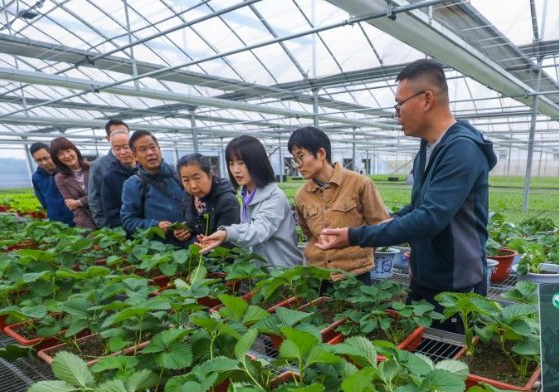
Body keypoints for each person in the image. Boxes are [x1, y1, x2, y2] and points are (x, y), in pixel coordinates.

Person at [318, 59, 497, 332]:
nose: (396, 114)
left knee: (448, 361)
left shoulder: (462, 150)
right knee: (420, 353)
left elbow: (429, 218)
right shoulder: (427, 149)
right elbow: (417, 208)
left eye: (399, 104)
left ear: (426, 99)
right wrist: (386, 224)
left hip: (457, 285)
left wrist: (355, 236)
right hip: (426, 276)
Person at [289, 126, 388, 283]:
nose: (298, 164)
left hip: (355, 274)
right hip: (319, 274)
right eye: (294, 159)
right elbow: (309, 234)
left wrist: (361, 256)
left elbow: (381, 226)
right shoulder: (301, 196)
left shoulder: (359, 183)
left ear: (321, 153)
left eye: (300, 156)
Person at [196, 135, 303, 268]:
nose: (236, 170)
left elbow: (259, 230)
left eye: (241, 162)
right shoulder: (245, 194)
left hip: (285, 273)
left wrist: (227, 233)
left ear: (256, 162)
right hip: (262, 272)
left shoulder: (274, 196)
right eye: (231, 163)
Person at [120, 130, 189, 242]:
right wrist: (155, 226)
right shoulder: (133, 184)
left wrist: (189, 225)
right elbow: (128, 221)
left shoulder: (179, 174)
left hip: (190, 242)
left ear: (159, 150)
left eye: (153, 147)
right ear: (135, 157)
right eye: (143, 149)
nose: (150, 153)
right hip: (159, 250)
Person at [173, 153, 240, 245]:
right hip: (199, 254)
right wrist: (184, 233)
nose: (193, 186)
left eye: (197, 178)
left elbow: (227, 243)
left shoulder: (227, 201)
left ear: (210, 174)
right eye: (186, 180)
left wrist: (194, 242)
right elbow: (193, 225)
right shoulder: (188, 197)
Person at [88, 119, 129, 228]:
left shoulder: (138, 161)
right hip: (115, 224)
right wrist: (104, 226)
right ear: (108, 139)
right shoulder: (98, 165)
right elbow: (94, 199)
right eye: (114, 134)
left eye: (124, 133)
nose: (120, 136)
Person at [49, 137, 96, 229]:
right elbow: (74, 207)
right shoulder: (59, 178)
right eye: (60, 154)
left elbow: (101, 195)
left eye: (68, 151)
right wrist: (90, 230)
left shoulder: (94, 167)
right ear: (57, 159)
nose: (66, 156)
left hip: (106, 217)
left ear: (75, 150)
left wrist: (78, 202)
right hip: (85, 223)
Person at [28, 142, 74, 226]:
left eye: (46, 158)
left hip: (75, 219)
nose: (44, 163)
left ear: (52, 155)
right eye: (39, 160)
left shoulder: (67, 171)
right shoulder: (36, 177)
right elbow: (42, 199)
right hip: (55, 221)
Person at [101, 130, 137, 229]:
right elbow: (111, 211)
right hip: (131, 230)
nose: (123, 152)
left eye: (126, 147)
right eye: (117, 149)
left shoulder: (146, 170)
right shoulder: (110, 177)